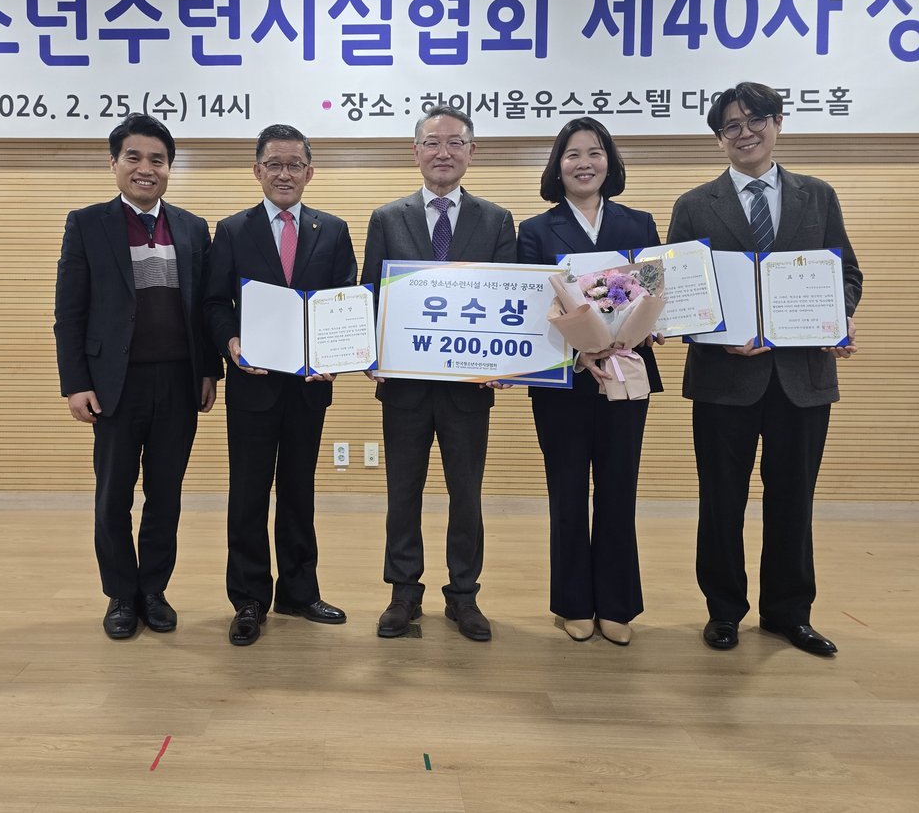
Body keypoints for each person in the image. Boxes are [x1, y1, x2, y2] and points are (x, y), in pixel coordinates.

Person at [667, 81, 862, 656]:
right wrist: (715, 336)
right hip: (723, 379)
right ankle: (723, 611)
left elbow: (846, 274)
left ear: (778, 123)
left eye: (756, 120)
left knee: (794, 501)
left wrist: (838, 317)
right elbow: (677, 293)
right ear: (719, 138)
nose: (745, 132)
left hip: (802, 380)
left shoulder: (817, 196)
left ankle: (788, 614)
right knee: (720, 502)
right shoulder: (694, 205)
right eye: (731, 125)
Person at [54, 113, 222, 640]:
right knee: (114, 496)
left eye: (158, 159)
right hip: (114, 385)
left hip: (178, 381)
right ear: (114, 163)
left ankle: (153, 590)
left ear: (170, 168)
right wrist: (75, 382)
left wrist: (209, 370)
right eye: (134, 157)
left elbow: (205, 309)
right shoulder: (87, 223)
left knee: (166, 495)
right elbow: (69, 313)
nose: (145, 168)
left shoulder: (192, 227)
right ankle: (121, 595)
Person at [362, 105, 516, 642]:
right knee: (402, 493)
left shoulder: (496, 220)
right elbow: (371, 295)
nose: (443, 152)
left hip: (469, 389)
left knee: (466, 495)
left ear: (472, 152)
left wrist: (506, 362)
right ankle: (403, 593)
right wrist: (370, 352)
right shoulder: (387, 218)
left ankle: (464, 594)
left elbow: (508, 299)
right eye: (432, 142)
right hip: (404, 387)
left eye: (455, 142)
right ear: (416, 152)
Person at [204, 124, 358, 647]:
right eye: (274, 164)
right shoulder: (232, 229)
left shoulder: (332, 229)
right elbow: (214, 301)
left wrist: (337, 356)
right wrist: (230, 342)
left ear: (310, 172)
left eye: (294, 164)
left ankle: (299, 590)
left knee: (298, 489)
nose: (284, 173)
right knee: (248, 491)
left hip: (309, 387)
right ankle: (248, 598)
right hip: (252, 384)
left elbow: (344, 301)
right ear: (257, 171)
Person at [516, 117, 663, 646]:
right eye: (572, 154)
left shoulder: (640, 224)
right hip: (565, 380)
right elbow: (535, 309)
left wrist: (638, 333)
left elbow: (656, 292)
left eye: (594, 152)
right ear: (557, 166)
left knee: (620, 488)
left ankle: (618, 604)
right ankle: (573, 602)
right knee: (568, 490)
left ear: (610, 162)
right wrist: (582, 352)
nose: (584, 163)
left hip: (627, 371)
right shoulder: (535, 231)